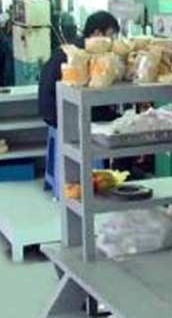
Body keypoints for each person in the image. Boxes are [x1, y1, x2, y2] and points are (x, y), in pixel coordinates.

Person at [38, 11, 121, 196]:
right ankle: (98, 181)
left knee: (110, 114)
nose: (112, 41)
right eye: (111, 35)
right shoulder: (83, 56)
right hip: (60, 113)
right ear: (97, 34)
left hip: (50, 109)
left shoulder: (73, 48)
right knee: (117, 121)